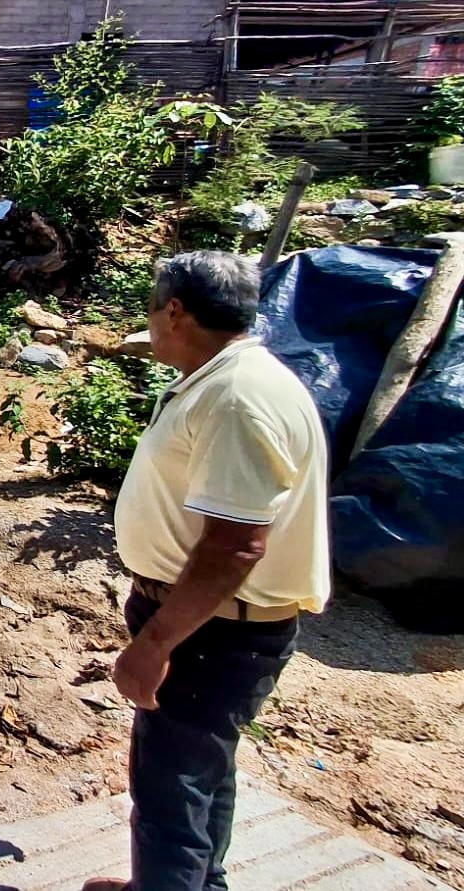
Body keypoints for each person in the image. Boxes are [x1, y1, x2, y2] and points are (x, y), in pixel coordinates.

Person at [82, 252, 330, 891]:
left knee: (172, 784)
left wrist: (156, 642)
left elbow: (235, 547)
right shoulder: (222, 377)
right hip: (211, 621)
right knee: (200, 770)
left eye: (152, 311)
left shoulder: (237, 399)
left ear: (174, 311)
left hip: (213, 631)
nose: (149, 325)